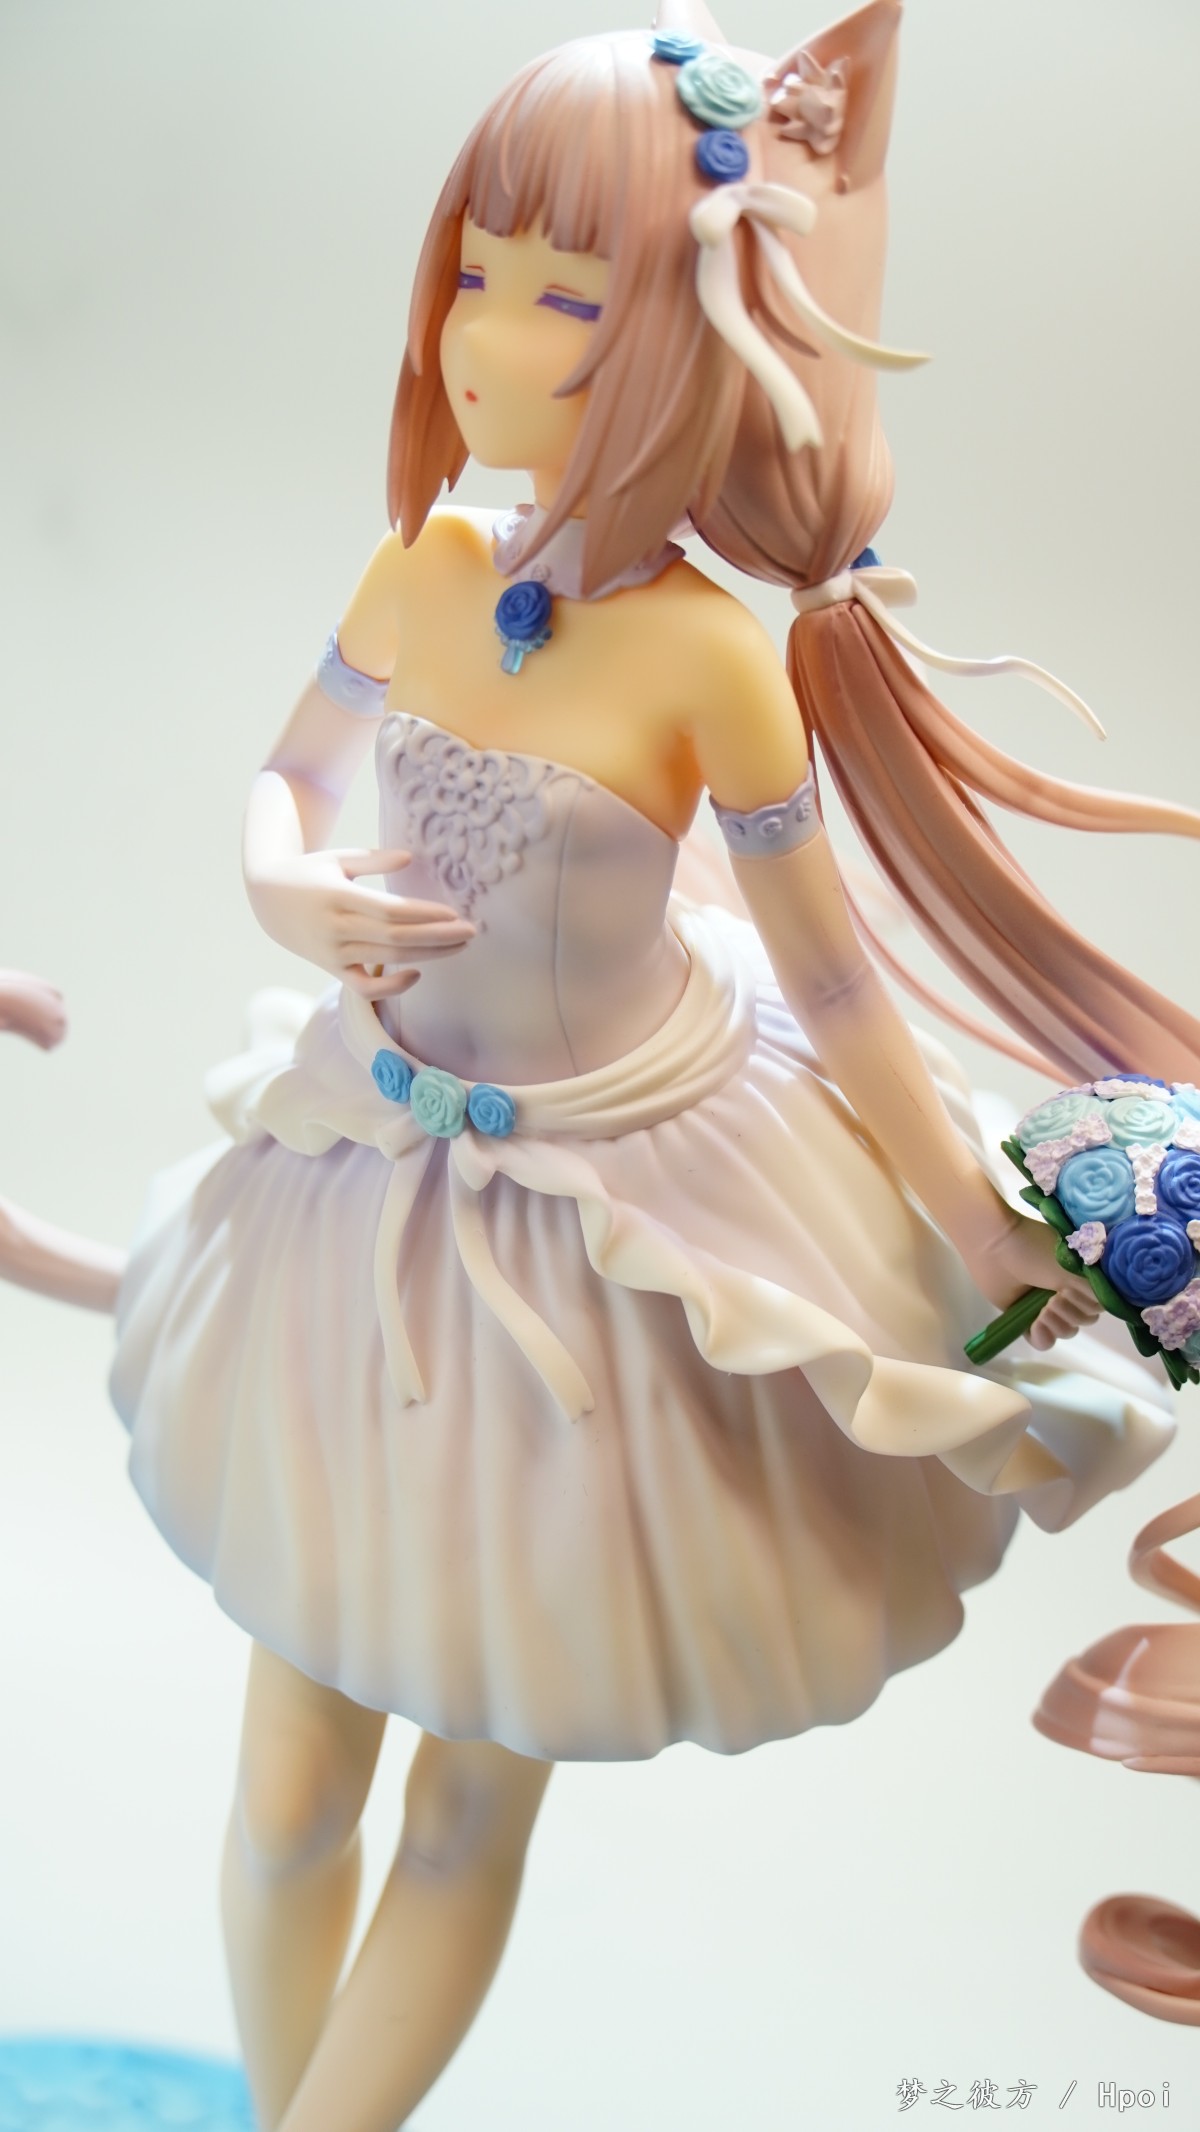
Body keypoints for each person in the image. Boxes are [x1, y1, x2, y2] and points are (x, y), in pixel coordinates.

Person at [28, 2, 1200, 2125]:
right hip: (363, 1206)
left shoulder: (712, 661)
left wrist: (972, 1235)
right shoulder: (424, 567)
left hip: (608, 1256)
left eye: (564, 298)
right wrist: (283, 883)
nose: (486, 336)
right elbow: (287, 777)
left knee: (465, 1806)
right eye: (473, 270)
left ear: (678, 337)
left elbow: (842, 986)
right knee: (285, 1788)